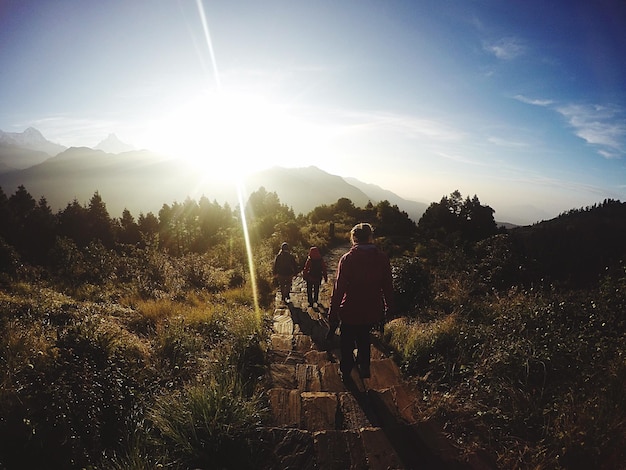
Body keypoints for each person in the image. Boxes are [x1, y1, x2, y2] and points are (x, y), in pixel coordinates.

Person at [327, 223, 393, 381]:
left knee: (347, 341)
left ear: (353, 238)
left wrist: (333, 310)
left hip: (350, 308)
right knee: (364, 337)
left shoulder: (347, 259)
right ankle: (364, 365)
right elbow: (388, 286)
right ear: (371, 237)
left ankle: (346, 370)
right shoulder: (382, 258)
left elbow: (339, 288)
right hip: (372, 308)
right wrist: (389, 306)